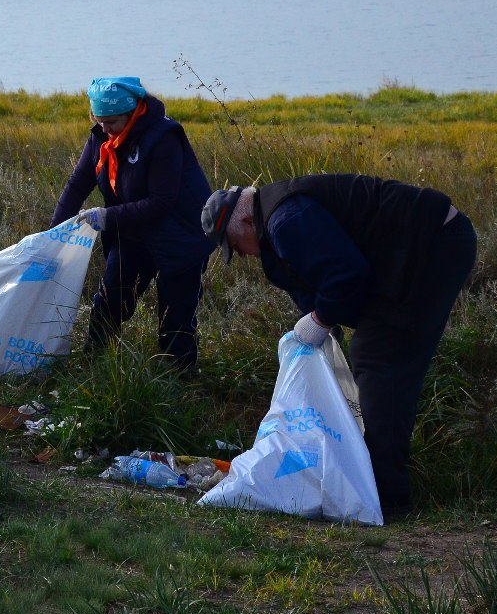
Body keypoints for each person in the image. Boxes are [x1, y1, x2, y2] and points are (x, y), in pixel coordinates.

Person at [201, 175, 478, 521]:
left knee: (380, 360)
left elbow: (347, 275)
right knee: (376, 355)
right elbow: (316, 279)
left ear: (245, 220)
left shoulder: (286, 221)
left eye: (233, 244)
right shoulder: (277, 226)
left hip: (434, 242)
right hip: (412, 252)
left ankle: (387, 496)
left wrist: (320, 319)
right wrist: (321, 326)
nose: (239, 254)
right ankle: (374, 483)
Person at [50, 77, 215, 373]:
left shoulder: (164, 138)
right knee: (110, 297)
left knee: (175, 316)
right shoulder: (101, 138)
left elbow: (161, 202)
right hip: (133, 230)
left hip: (180, 233)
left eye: (111, 122)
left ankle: (178, 378)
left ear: (132, 113)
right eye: (98, 121)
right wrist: (51, 236)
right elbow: (77, 185)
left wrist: (106, 217)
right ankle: (94, 366)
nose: (104, 129)